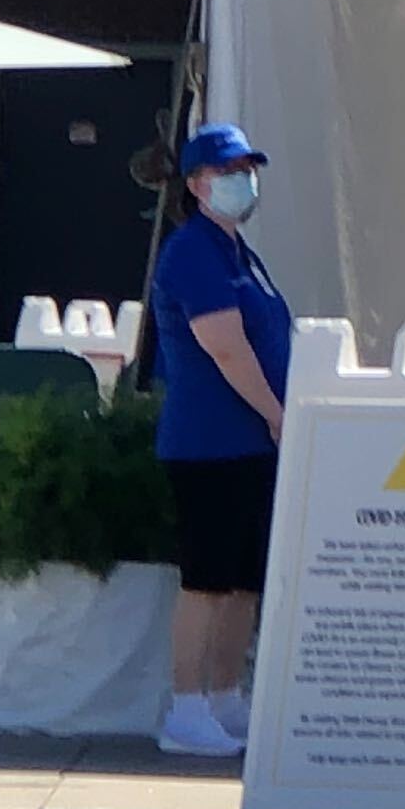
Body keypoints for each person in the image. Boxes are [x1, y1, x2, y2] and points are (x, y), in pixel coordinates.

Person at [145, 122, 292, 761]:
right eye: (230, 173)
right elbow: (225, 347)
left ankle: (227, 695)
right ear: (200, 184)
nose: (243, 182)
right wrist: (276, 411)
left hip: (251, 445)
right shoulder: (192, 253)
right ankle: (187, 707)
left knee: (243, 580)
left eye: (248, 171)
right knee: (206, 579)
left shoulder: (240, 254)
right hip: (209, 443)